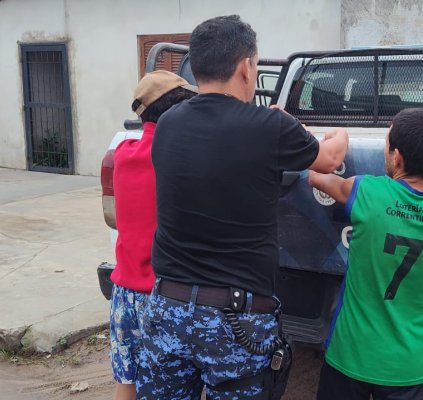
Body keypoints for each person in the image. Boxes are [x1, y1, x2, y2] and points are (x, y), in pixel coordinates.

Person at [138, 15, 349, 400]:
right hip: (237, 322)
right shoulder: (269, 128)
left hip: (167, 309)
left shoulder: (167, 123)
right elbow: (330, 158)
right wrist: (340, 131)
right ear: (246, 67)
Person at [310, 108, 423, 400]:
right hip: (411, 366)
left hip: (350, 356)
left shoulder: (365, 192)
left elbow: (316, 177)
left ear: (397, 158)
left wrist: (338, 138)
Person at [109, 70, 197, 400]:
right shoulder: (178, 158)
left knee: (126, 381)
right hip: (162, 295)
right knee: (168, 388)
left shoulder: (122, 154)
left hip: (123, 293)